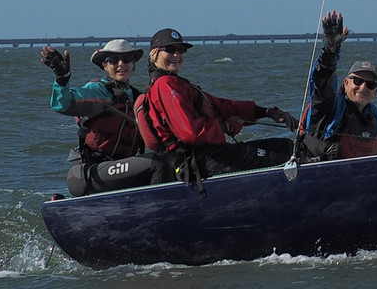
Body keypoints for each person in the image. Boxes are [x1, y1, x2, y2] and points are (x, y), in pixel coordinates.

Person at [135, 28, 300, 179]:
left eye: (181, 50)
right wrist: (225, 127)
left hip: (215, 155)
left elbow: (223, 106)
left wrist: (267, 112)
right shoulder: (165, 85)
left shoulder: (179, 84)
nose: (177, 55)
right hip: (203, 161)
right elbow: (191, 132)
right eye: (170, 50)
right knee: (287, 158)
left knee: (286, 146)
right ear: (154, 54)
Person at [42, 39, 150, 195]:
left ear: (133, 64)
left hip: (120, 170)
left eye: (127, 59)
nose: (121, 64)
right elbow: (63, 104)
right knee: (155, 164)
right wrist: (62, 78)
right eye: (113, 60)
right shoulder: (98, 91)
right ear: (105, 65)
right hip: (89, 173)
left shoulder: (137, 98)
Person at [301, 12, 377, 159]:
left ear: (376, 92)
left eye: (370, 84)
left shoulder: (374, 116)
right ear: (346, 83)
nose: (363, 87)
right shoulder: (330, 106)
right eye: (358, 81)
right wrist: (331, 50)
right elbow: (322, 79)